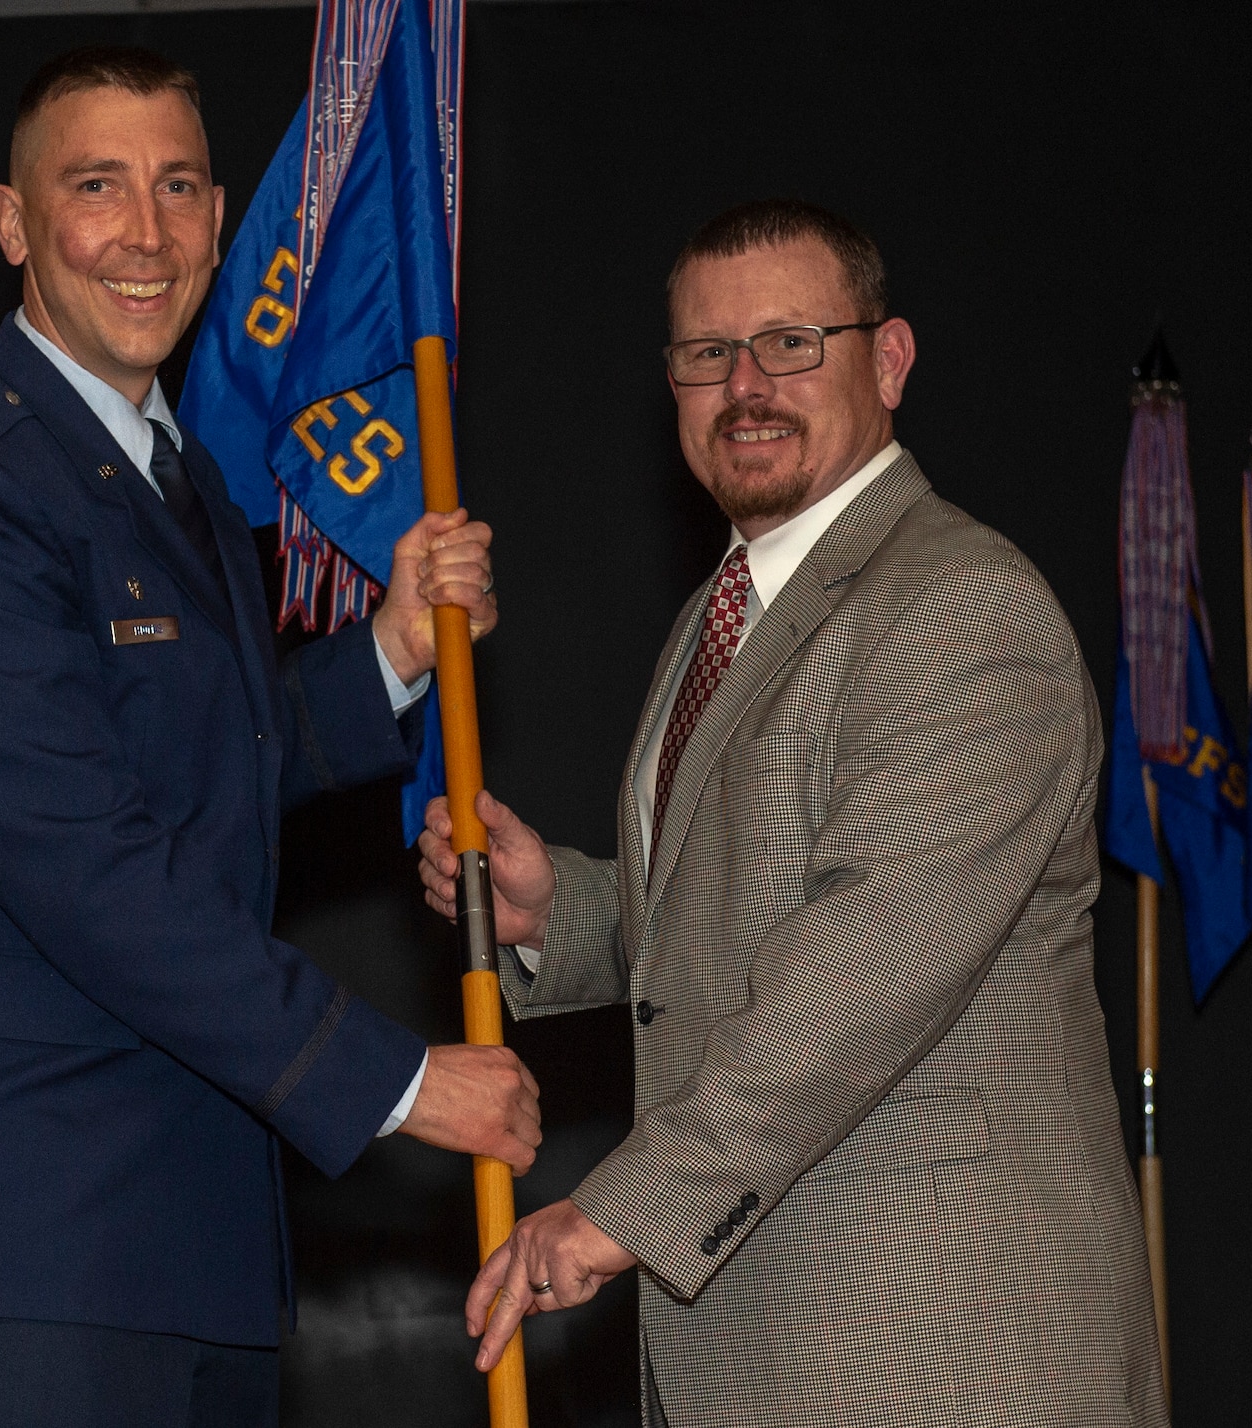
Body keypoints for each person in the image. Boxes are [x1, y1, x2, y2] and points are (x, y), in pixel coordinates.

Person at [0, 46, 540, 1428]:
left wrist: (391, 651)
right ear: (13, 223)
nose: (144, 235)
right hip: (33, 1244)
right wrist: (393, 1081)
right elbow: (85, 864)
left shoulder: (179, 478)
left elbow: (201, 756)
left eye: (176, 189)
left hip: (192, 1241)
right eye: (95, 188)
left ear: (220, 219)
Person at [419, 200, 1167, 1427]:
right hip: (775, 1356)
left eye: (791, 342)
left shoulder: (961, 607)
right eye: (705, 354)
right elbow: (748, 919)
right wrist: (567, 910)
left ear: (888, 358)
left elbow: (866, 965)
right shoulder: (731, 606)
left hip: (940, 1354)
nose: (744, 385)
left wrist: (622, 1207)